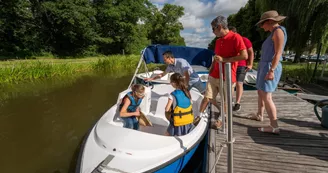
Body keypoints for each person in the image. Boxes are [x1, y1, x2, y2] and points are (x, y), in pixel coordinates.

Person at [199, 15, 248, 128]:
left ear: (220, 27)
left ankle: (221, 119)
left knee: (225, 100)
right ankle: (199, 116)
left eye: (213, 29)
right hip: (214, 75)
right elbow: (217, 57)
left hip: (228, 76)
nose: (213, 32)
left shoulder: (236, 38)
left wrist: (225, 60)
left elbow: (244, 55)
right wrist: (211, 69)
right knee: (207, 97)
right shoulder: (217, 41)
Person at [250, 10, 287, 134]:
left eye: (262, 24)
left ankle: (274, 126)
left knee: (267, 96)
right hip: (264, 65)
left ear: (270, 22)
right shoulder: (273, 32)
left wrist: (271, 70)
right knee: (260, 91)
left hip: (270, 66)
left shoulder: (278, 31)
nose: (261, 27)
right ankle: (260, 115)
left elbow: (278, 53)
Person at [228, 26, 255, 112]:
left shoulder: (245, 40)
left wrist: (250, 64)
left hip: (241, 65)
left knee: (239, 83)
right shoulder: (228, 41)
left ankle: (237, 103)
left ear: (234, 32)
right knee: (230, 83)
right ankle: (230, 100)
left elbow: (251, 52)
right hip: (231, 65)